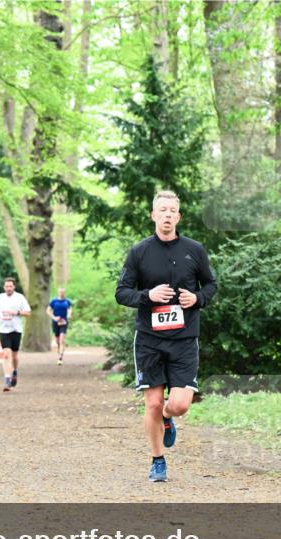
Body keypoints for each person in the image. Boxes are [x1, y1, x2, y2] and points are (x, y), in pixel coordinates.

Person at [115, 190, 217, 482]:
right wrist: (148, 295)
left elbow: (211, 285)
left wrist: (196, 299)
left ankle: (169, 420)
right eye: (163, 210)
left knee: (180, 404)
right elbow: (122, 292)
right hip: (149, 339)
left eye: (173, 210)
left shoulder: (194, 250)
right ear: (153, 215)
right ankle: (157, 459)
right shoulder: (139, 252)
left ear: (178, 216)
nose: (168, 215)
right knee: (153, 403)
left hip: (185, 338)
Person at [0, 277, 31, 392]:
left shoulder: (20, 298)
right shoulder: (0, 297)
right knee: (6, 354)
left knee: (14, 356)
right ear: (4, 287)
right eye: (6, 286)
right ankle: (7, 380)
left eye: (10, 286)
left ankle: (14, 371)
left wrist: (17, 312)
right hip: (3, 330)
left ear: (14, 287)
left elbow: (28, 312)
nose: (8, 288)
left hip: (16, 330)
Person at [46, 287, 73, 365]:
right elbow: (48, 311)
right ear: (58, 293)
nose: (61, 293)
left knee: (62, 340)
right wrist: (54, 318)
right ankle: (59, 350)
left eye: (63, 292)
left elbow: (70, 309)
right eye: (60, 292)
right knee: (57, 341)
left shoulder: (67, 301)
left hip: (64, 322)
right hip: (55, 322)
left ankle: (60, 357)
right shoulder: (54, 301)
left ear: (64, 293)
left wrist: (69, 315)